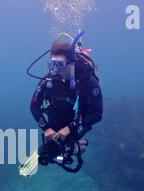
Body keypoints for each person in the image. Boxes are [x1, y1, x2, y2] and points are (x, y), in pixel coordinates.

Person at [30, 34, 103, 170]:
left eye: (60, 64)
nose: (55, 69)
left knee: (62, 145)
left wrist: (70, 128)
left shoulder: (88, 82)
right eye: (52, 64)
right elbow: (34, 106)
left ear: (72, 63)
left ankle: (74, 147)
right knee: (50, 149)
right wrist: (46, 128)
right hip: (55, 120)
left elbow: (97, 114)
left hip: (79, 120)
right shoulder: (48, 80)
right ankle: (67, 148)